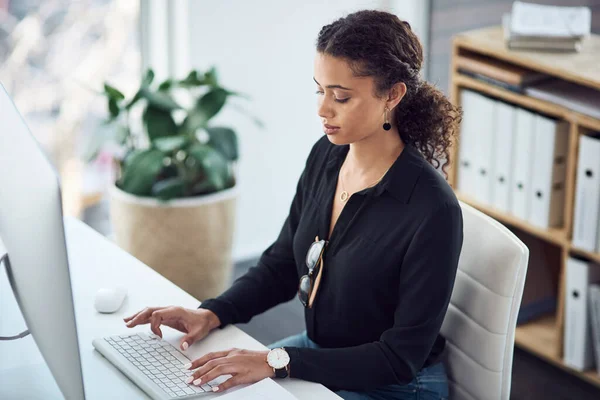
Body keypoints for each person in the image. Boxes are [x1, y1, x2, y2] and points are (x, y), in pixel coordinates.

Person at [124, 9, 463, 400]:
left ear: (393, 95)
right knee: (207, 387)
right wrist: (212, 313)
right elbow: (284, 263)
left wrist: (275, 361)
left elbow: (398, 359)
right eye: (320, 90)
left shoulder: (432, 210)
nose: (323, 109)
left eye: (341, 97)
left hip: (393, 385)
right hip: (319, 353)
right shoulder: (328, 155)